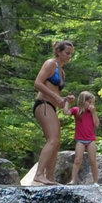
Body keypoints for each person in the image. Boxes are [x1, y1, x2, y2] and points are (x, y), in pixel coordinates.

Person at [30, 39, 75, 185]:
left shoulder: (62, 73)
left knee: (56, 142)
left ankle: (49, 177)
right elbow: (37, 83)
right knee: (53, 140)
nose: (69, 56)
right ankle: (39, 174)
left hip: (51, 105)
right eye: (67, 53)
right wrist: (56, 96)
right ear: (58, 52)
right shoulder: (50, 63)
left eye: (71, 54)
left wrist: (65, 100)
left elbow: (59, 103)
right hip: (42, 104)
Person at [66, 92, 102, 185]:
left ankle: (95, 182)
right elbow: (66, 112)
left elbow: (97, 124)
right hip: (80, 140)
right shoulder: (76, 110)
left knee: (93, 160)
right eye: (90, 102)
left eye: (93, 103)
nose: (91, 105)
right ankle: (73, 180)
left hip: (91, 140)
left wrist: (94, 112)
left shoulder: (91, 112)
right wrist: (67, 102)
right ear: (83, 101)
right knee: (78, 160)